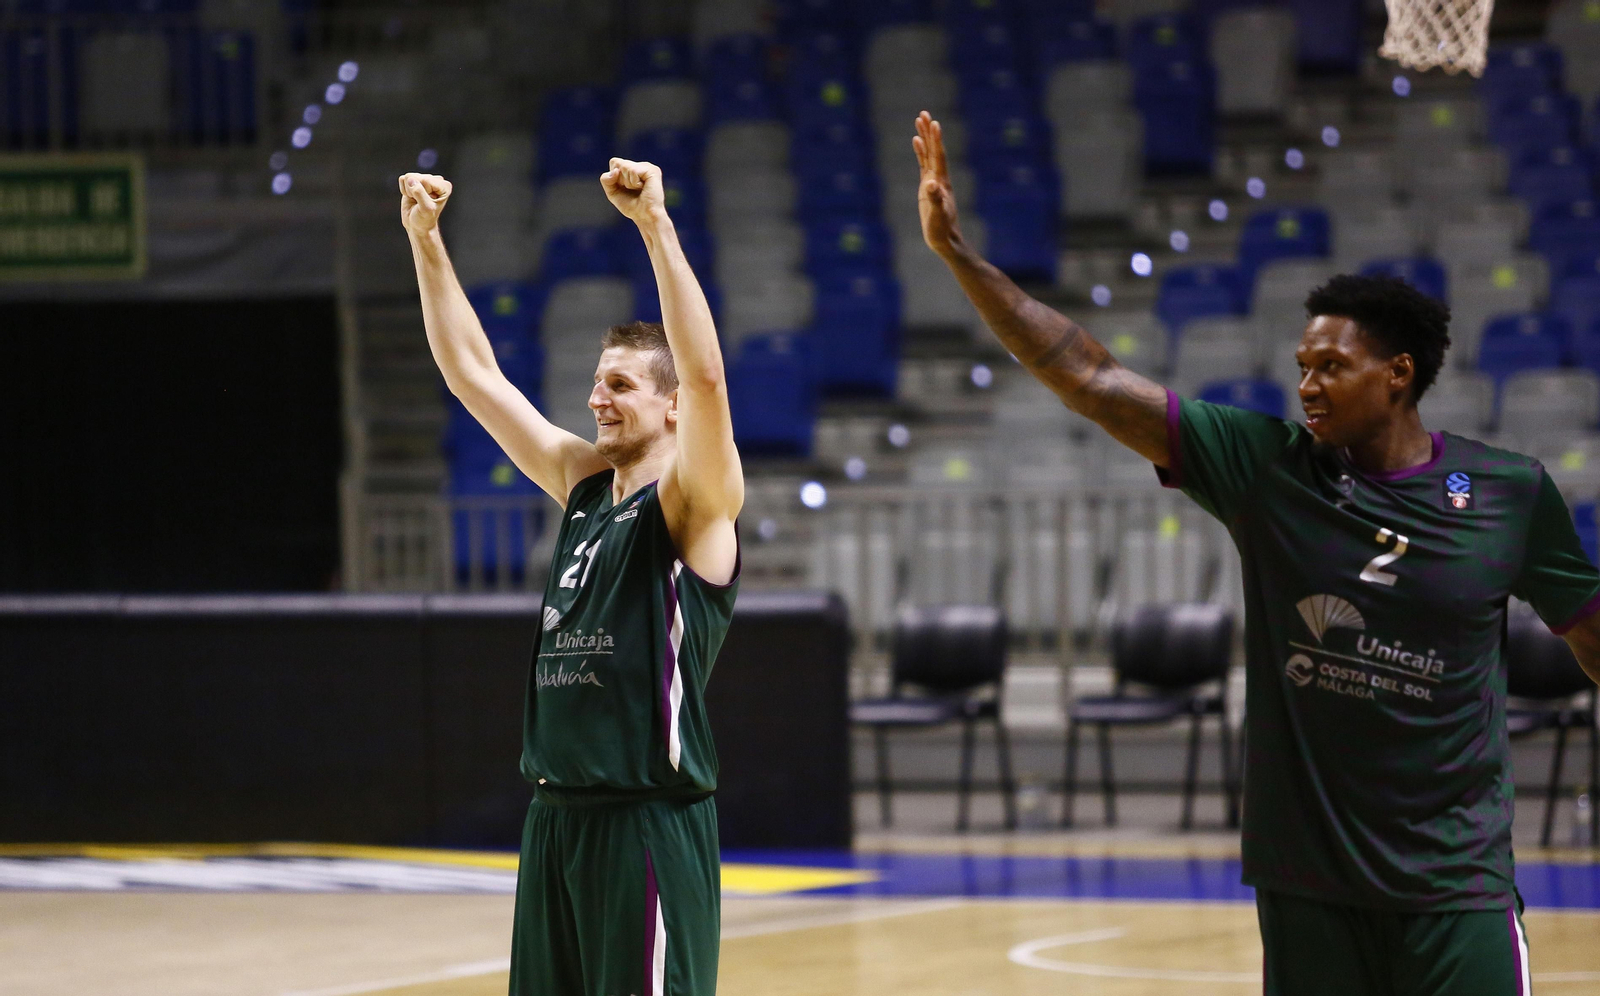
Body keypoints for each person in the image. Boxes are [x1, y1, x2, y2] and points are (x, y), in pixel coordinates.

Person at [910, 110, 1600, 995]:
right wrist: (958, 256)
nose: (1306, 385)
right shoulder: (1267, 470)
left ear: (1397, 375)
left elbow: (1589, 631)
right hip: (1308, 884)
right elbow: (1089, 376)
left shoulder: (1508, 491)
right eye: (1302, 365)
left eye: (1330, 368)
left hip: (1455, 884)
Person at [400, 158, 741, 996]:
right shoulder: (584, 486)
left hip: (646, 823)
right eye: (595, 382)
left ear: (670, 407)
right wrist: (425, 240)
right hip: (555, 820)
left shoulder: (693, 503)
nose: (597, 399)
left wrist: (654, 224)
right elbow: (473, 376)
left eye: (619, 384)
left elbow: (705, 376)